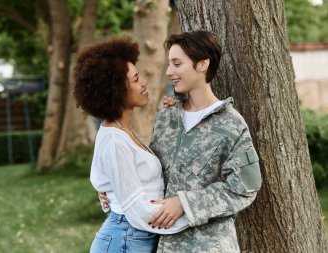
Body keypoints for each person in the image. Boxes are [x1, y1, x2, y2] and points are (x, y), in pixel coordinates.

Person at [101, 30, 262, 253]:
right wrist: (115, 191)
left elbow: (245, 189)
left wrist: (185, 203)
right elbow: (152, 173)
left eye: (177, 64)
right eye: (169, 64)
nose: (169, 72)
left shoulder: (232, 124)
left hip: (207, 246)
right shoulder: (167, 116)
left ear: (202, 64)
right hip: (157, 243)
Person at [74, 36, 189, 253]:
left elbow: (111, 185)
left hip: (134, 237)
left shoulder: (123, 131)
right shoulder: (115, 141)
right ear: (116, 90)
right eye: (135, 79)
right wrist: (194, 213)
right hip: (126, 241)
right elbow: (139, 211)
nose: (144, 82)